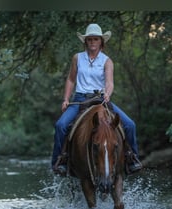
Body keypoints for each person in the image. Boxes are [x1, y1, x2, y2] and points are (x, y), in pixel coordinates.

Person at [51, 23, 142, 176]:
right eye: (90, 39)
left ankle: (132, 158)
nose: (93, 42)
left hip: (101, 99)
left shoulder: (107, 61)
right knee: (60, 125)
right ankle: (60, 161)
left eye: (96, 39)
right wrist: (66, 99)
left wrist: (107, 93)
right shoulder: (77, 58)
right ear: (85, 42)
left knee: (130, 125)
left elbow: (109, 82)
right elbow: (71, 80)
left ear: (101, 41)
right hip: (80, 99)